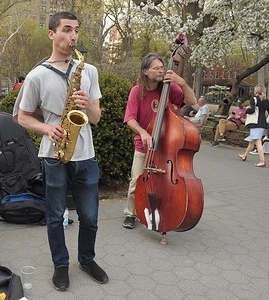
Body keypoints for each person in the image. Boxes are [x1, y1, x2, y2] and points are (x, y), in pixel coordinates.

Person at [13, 11, 108, 291]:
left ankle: (87, 260)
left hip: (85, 154)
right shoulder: (37, 75)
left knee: (90, 216)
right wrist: (46, 129)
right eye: (67, 30)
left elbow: (97, 118)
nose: (73, 36)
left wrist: (89, 105)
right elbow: (22, 116)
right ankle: (61, 265)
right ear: (52, 34)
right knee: (55, 216)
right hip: (53, 155)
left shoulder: (88, 70)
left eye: (76, 30)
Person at [122, 53, 197, 230]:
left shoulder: (169, 88)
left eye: (162, 68)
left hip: (166, 148)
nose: (161, 71)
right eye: (156, 68)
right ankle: (130, 213)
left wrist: (182, 83)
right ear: (146, 71)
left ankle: (164, 213)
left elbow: (193, 102)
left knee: (166, 184)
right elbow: (130, 118)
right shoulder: (136, 91)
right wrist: (143, 133)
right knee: (136, 181)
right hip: (144, 146)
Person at [237, 84, 269, 167]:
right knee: (252, 142)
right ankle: (244, 155)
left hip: (255, 123)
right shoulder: (266, 101)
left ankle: (262, 160)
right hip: (262, 123)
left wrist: (247, 109)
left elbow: (252, 111)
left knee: (258, 142)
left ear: (255, 91)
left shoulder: (253, 99)